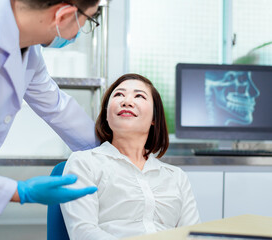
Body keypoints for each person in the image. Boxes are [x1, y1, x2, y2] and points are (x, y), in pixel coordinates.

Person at [0, 0, 102, 238]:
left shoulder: (27, 48)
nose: (84, 29)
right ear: (63, 16)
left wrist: (114, 150)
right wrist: (19, 191)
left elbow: (57, 107)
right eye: (89, 20)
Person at [60, 73, 201, 240]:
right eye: (119, 94)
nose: (126, 101)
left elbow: (194, 236)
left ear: (154, 118)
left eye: (139, 96)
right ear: (107, 114)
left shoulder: (176, 177)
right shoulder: (84, 163)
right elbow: (83, 232)